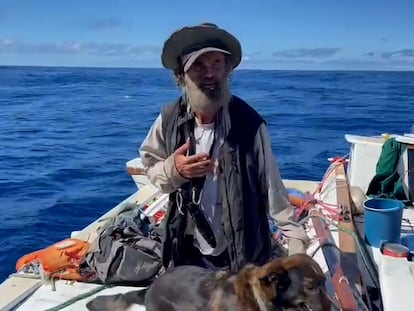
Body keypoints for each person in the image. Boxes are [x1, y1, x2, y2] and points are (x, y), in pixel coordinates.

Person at [139, 22, 310, 272]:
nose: (209, 74)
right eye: (198, 65)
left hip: (241, 252)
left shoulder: (249, 123)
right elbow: (151, 166)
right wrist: (174, 169)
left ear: (227, 70)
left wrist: (295, 243)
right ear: (182, 76)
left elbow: (272, 186)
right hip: (187, 248)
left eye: (216, 64)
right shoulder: (169, 119)